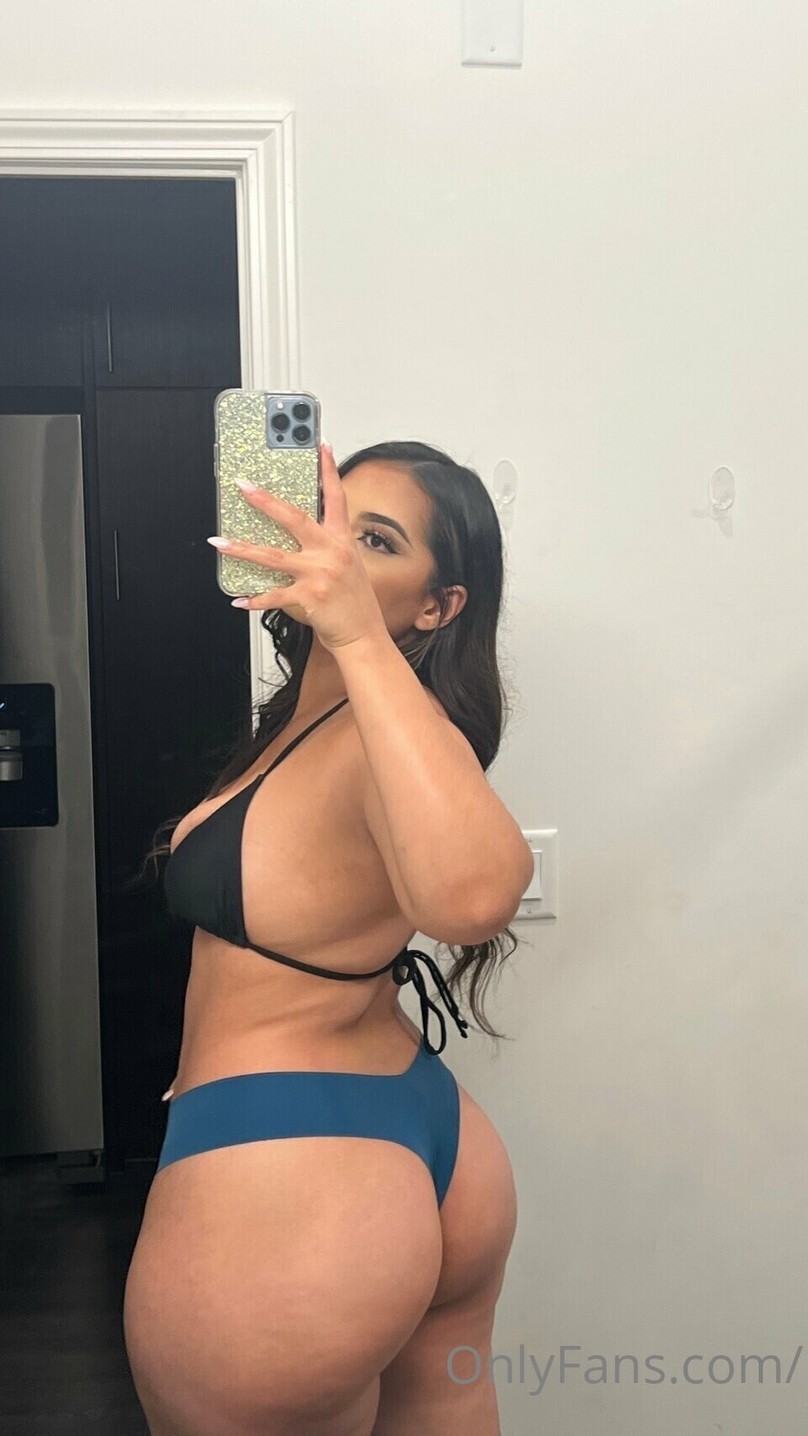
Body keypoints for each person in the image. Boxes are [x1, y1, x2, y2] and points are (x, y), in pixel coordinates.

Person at [122, 439, 533, 1435]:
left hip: (298, 1166)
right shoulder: (321, 717)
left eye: (376, 542)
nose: (336, 551)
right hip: (396, 1133)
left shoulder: (393, 728)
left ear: (437, 606)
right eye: (333, 521)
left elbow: (476, 895)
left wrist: (356, 635)